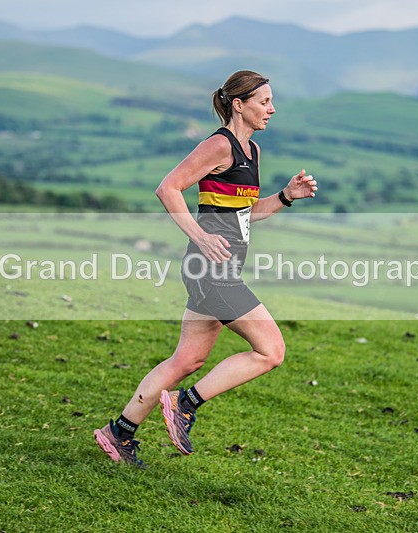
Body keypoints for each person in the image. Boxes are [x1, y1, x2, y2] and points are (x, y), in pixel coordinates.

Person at [94, 70, 318, 467]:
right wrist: (198, 235)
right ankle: (185, 403)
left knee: (187, 361)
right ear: (239, 104)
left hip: (217, 269)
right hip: (212, 271)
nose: (272, 108)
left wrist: (285, 196)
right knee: (271, 351)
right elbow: (168, 187)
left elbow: (245, 213)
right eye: (264, 101)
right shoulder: (219, 145)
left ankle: (119, 433)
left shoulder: (252, 152)